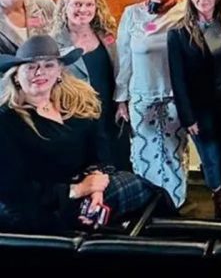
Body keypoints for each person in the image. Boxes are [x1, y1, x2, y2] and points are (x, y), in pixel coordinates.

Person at [0, 35, 162, 233]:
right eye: (30, 67)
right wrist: (76, 190)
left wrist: (96, 187)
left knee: (149, 193)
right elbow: (12, 190)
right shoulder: (6, 120)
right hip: (35, 210)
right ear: (16, 76)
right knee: (140, 188)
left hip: (87, 193)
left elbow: (100, 156)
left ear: (59, 71)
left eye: (48, 65)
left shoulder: (77, 108)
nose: (40, 72)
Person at [115, 0, 190, 207]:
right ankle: (147, 206)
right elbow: (124, 59)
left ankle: (174, 204)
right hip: (142, 98)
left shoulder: (186, 11)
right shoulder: (131, 14)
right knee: (143, 153)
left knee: (174, 153)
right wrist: (121, 99)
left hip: (175, 96)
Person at [168, 0, 221, 219]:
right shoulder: (178, 33)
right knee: (209, 155)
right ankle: (218, 198)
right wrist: (187, 116)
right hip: (199, 107)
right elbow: (177, 80)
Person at [51, 0, 131, 171]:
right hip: (79, 114)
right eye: (77, 4)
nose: (83, 10)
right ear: (64, 7)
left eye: (89, 5)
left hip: (112, 109)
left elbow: (119, 69)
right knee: (95, 165)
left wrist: (121, 101)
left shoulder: (106, 35)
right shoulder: (53, 43)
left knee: (122, 160)